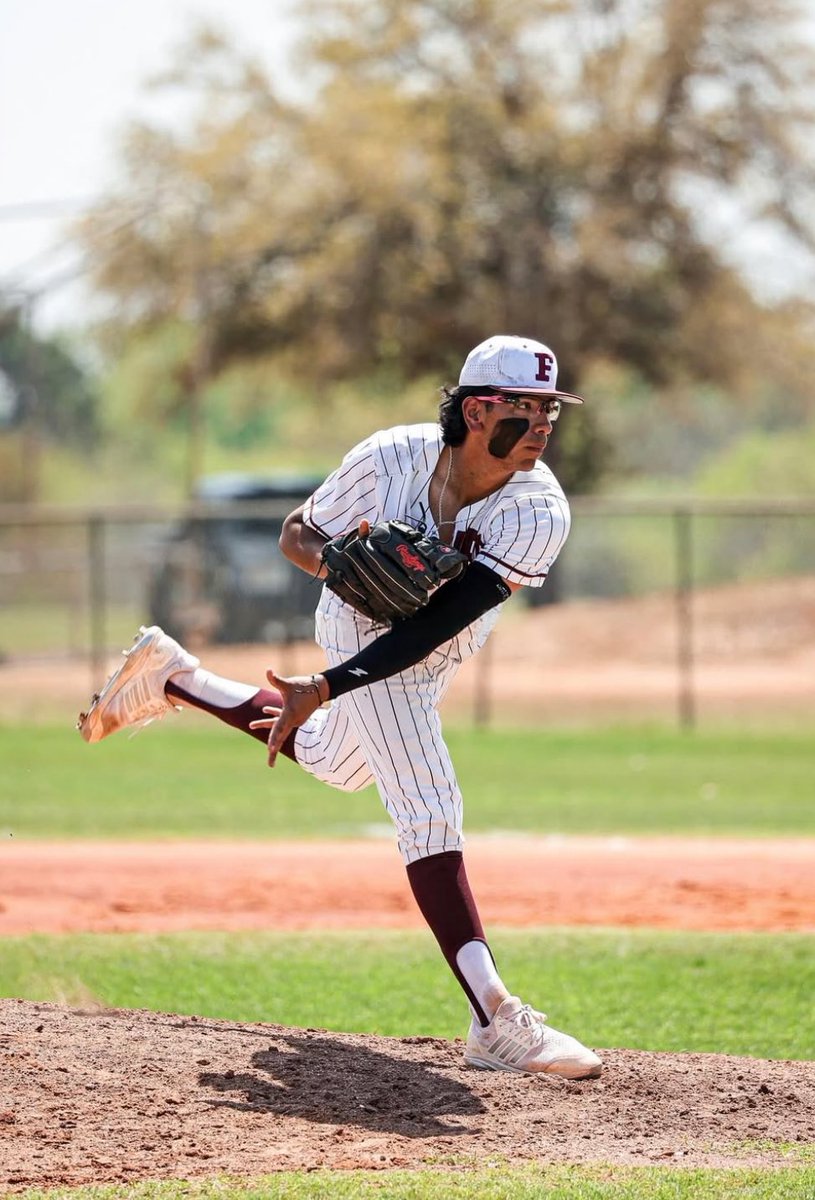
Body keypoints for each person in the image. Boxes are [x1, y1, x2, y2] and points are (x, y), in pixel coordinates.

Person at [78, 333, 602, 1080]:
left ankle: (174, 675)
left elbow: (434, 626)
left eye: (552, 407)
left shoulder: (537, 509)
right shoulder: (390, 456)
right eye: (529, 406)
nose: (547, 422)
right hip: (354, 621)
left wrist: (324, 689)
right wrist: (337, 567)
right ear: (480, 408)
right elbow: (298, 530)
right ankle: (494, 1017)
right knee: (427, 804)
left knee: (333, 760)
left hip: (435, 649)